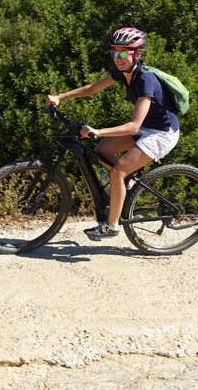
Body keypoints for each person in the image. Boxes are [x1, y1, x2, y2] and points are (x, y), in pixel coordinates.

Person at [45, 27, 180, 240]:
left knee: (117, 171)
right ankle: (129, 185)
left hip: (162, 133)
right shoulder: (122, 72)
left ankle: (112, 225)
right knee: (101, 151)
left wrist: (98, 131)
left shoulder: (146, 79)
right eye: (114, 52)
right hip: (147, 128)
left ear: (136, 54)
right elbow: (92, 88)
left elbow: (134, 126)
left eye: (123, 52)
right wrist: (60, 97)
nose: (118, 58)